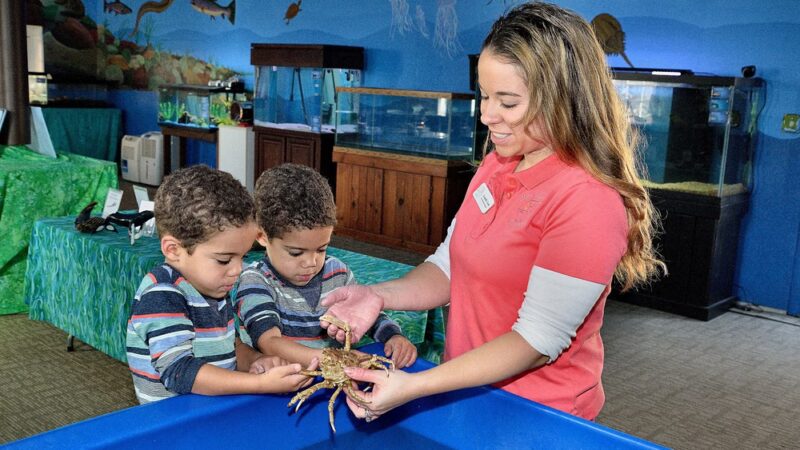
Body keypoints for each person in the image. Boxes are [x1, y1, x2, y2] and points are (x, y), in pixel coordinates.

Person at [320, 1, 665, 423]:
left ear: (564, 101)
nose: (487, 115)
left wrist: (415, 386)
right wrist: (379, 295)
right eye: (485, 95)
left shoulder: (588, 200)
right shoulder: (496, 164)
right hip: (463, 390)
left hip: (538, 411)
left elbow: (536, 341)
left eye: (508, 102)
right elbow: (449, 267)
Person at [126, 165, 316, 404]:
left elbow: (231, 345)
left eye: (243, 257)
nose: (237, 269)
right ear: (173, 250)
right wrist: (258, 384)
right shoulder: (162, 295)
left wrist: (256, 361)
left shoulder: (213, 287)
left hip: (212, 411)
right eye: (224, 260)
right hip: (175, 422)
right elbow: (181, 372)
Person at [234, 163, 417, 369]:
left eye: (321, 249)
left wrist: (393, 335)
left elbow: (366, 312)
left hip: (336, 375)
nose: (311, 263)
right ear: (262, 236)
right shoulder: (255, 281)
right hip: (285, 380)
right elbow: (269, 343)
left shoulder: (338, 273)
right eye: (296, 253)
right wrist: (333, 359)